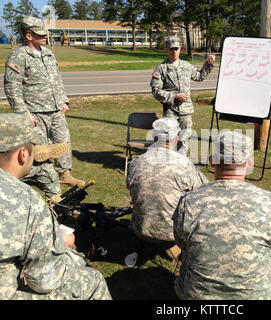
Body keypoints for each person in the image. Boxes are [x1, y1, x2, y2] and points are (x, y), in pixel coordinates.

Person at [0, 113, 111, 300]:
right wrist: (66, 249)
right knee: (92, 280)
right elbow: (45, 280)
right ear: (23, 154)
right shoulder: (26, 200)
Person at [172, 130, 271, 299]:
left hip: (196, 296)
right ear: (249, 164)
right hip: (256, 296)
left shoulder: (189, 202)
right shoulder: (270, 202)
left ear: (212, 161)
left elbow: (181, 242)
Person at [4, 16, 85, 188]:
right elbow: (12, 88)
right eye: (40, 34)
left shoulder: (48, 53)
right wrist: (24, 114)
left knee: (63, 142)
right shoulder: (18, 57)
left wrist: (64, 101)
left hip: (56, 110)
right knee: (39, 149)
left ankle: (64, 174)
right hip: (35, 112)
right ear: (28, 36)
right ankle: (42, 180)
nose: (45, 36)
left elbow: (57, 80)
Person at [126, 117, 209, 259]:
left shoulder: (135, 164)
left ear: (153, 137)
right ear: (176, 139)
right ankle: (177, 250)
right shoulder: (184, 165)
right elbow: (204, 191)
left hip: (141, 229)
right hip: (173, 234)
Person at [150, 35, 216, 155]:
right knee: (169, 140)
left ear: (180, 49)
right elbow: (156, 91)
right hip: (170, 111)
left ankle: (182, 162)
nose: (174, 51)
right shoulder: (161, 69)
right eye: (171, 49)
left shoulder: (186, 66)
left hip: (186, 111)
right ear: (167, 49)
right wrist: (175, 96)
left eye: (176, 49)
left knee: (184, 140)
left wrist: (208, 64)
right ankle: (170, 163)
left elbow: (199, 76)